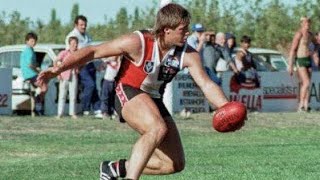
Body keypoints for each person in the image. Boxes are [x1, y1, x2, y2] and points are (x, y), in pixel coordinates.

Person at [37, 3, 242, 180]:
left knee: (174, 164)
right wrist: (58, 69)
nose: (187, 33)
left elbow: (206, 84)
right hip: (126, 90)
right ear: (166, 30)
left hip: (153, 98)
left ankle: (116, 168)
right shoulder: (138, 41)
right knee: (156, 128)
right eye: (183, 29)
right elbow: (93, 51)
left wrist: (226, 107)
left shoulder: (188, 54)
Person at [66, 15, 102, 118]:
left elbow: (92, 51)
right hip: (81, 65)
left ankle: (97, 109)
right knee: (90, 85)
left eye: (85, 25)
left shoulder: (88, 36)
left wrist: (96, 65)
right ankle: (85, 108)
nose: (83, 27)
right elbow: (70, 53)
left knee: (94, 86)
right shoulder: (71, 36)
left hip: (90, 64)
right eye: (81, 25)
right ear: (76, 25)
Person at [288, 17, 319, 112]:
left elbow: (317, 44)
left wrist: (314, 54)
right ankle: (301, 105)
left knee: (305, 84)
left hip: (308, 60)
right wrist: (290, 65)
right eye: (305, 22)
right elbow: (293, 50)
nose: (307, 24)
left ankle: (306, 105)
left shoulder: (310, 35)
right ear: (301, 23)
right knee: (306, 82)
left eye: (309, 22)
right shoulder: (299, 34)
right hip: (300, 60)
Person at [20, 32, 47, 115]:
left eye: (35, 41)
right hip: (31, 74)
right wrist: (38, 72)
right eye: (31, 41)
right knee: (44, 87)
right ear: (27, 41)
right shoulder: (29, 51)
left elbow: (33, 64)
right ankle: (39, 104)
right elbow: (30, 65)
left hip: (28, 75)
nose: (33, 43)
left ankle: (33, 111)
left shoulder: (30, 50)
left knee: (34, 92)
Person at [55, 36, 79, 119]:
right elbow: (56, 62)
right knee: (62, 95)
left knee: (73, 95)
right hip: (64, 75)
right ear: (69, 44)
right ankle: (60, 113)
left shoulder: (78, 53)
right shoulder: (64, 53)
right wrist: (58, 74)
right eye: (73, 43)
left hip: (74, 74)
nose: (75, 45)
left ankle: (72, 113)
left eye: (76, 43)